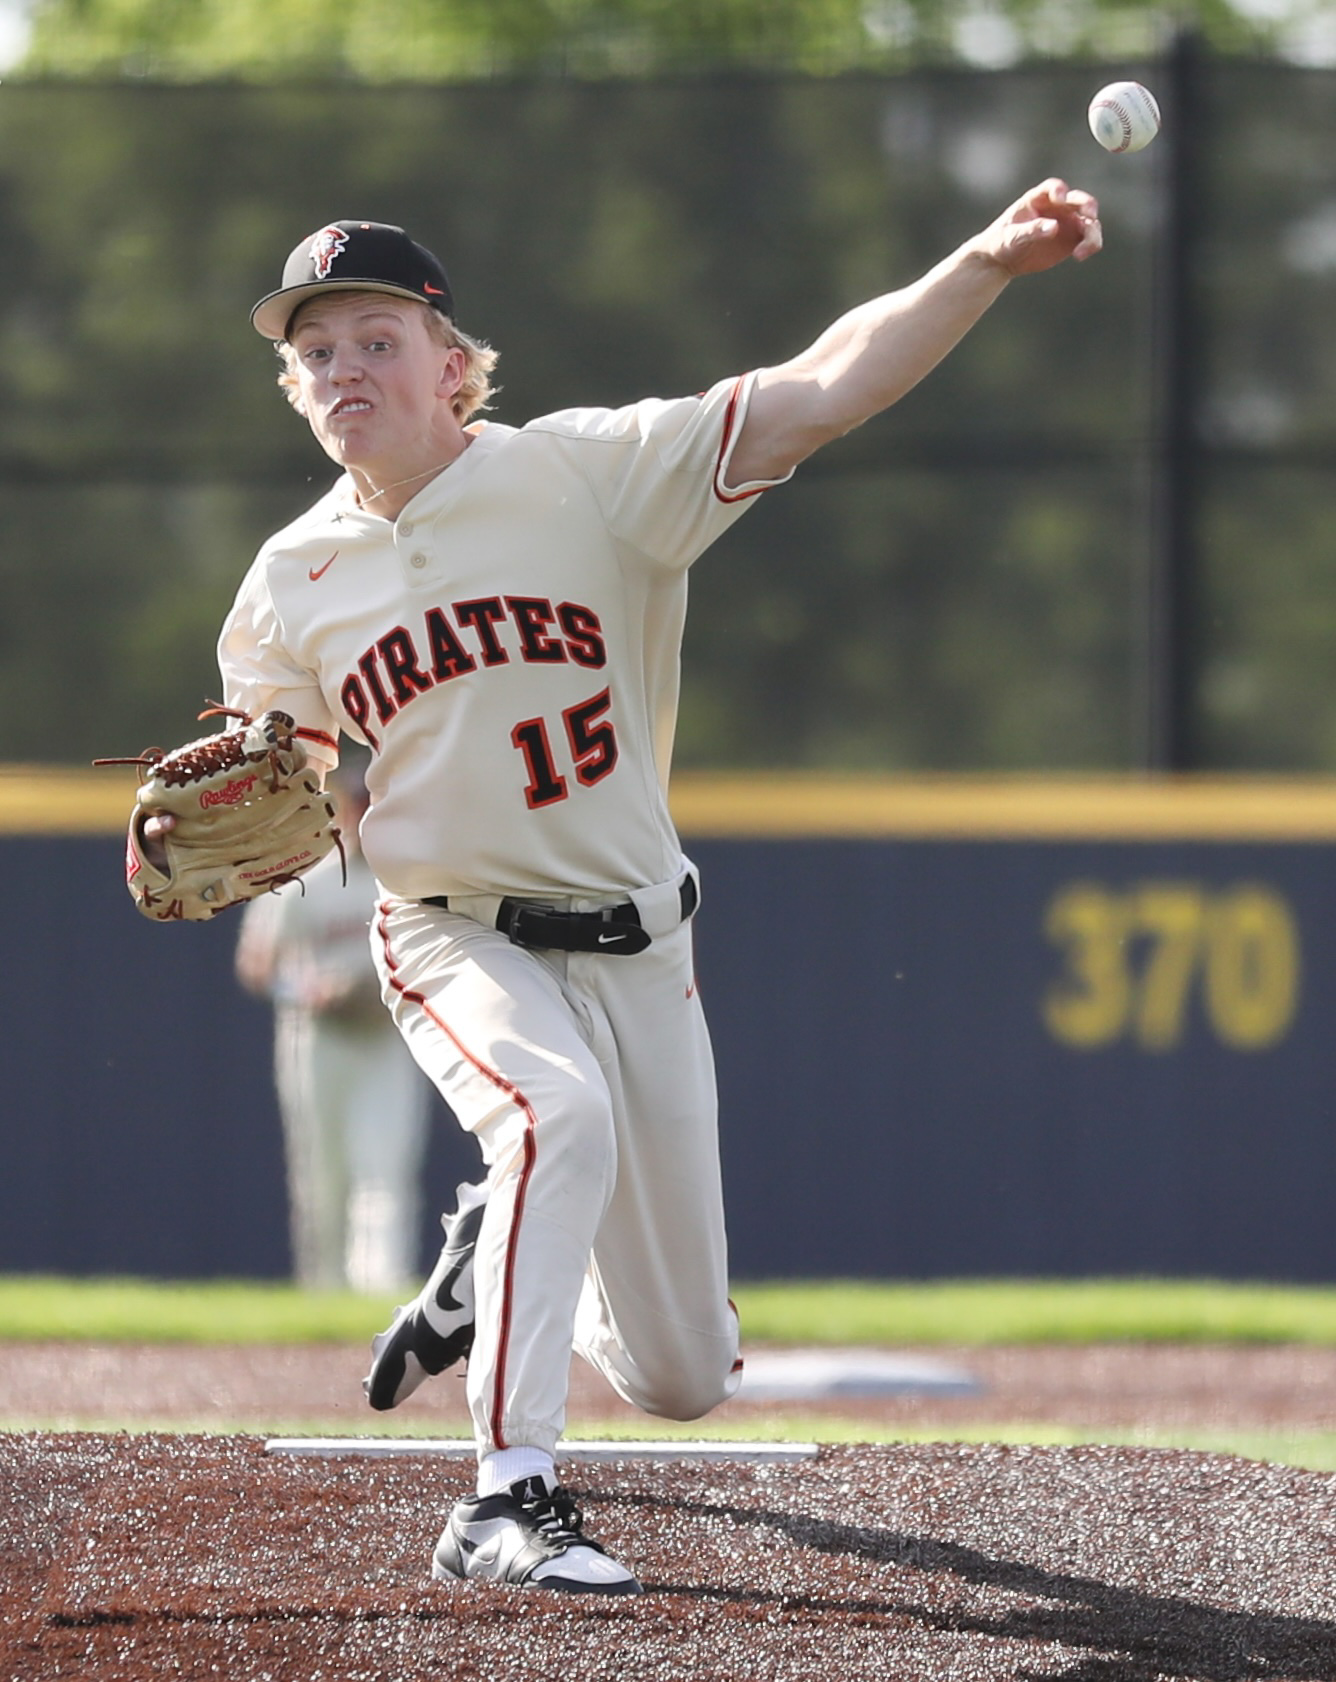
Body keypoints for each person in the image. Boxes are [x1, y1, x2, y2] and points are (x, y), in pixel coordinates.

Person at [147, 184, 1101, 1594]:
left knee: (683, 1374)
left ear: (454, 365)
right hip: (451, 929)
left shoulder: (591, 474)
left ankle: (491, 1250)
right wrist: (254, 802)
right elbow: (285, 782)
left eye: (377, 339)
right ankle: (505, 1497)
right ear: (294, 390)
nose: (344, 368)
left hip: (641, 941)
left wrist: (981, 261)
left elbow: (822, 389)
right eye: (316, 351)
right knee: (554, 1113)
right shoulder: (291, 579)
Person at [233, 766, 433, 1294]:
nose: (366, 815)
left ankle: (380, 1293)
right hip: (319, 1037)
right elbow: (258, 965)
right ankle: (323, 1295)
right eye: (359, 805)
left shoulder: (407, 881)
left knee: (386, 1167)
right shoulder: (306, 879)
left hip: (387, 1035)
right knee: (322, 1174)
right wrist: (307, 990)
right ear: (341, 811)